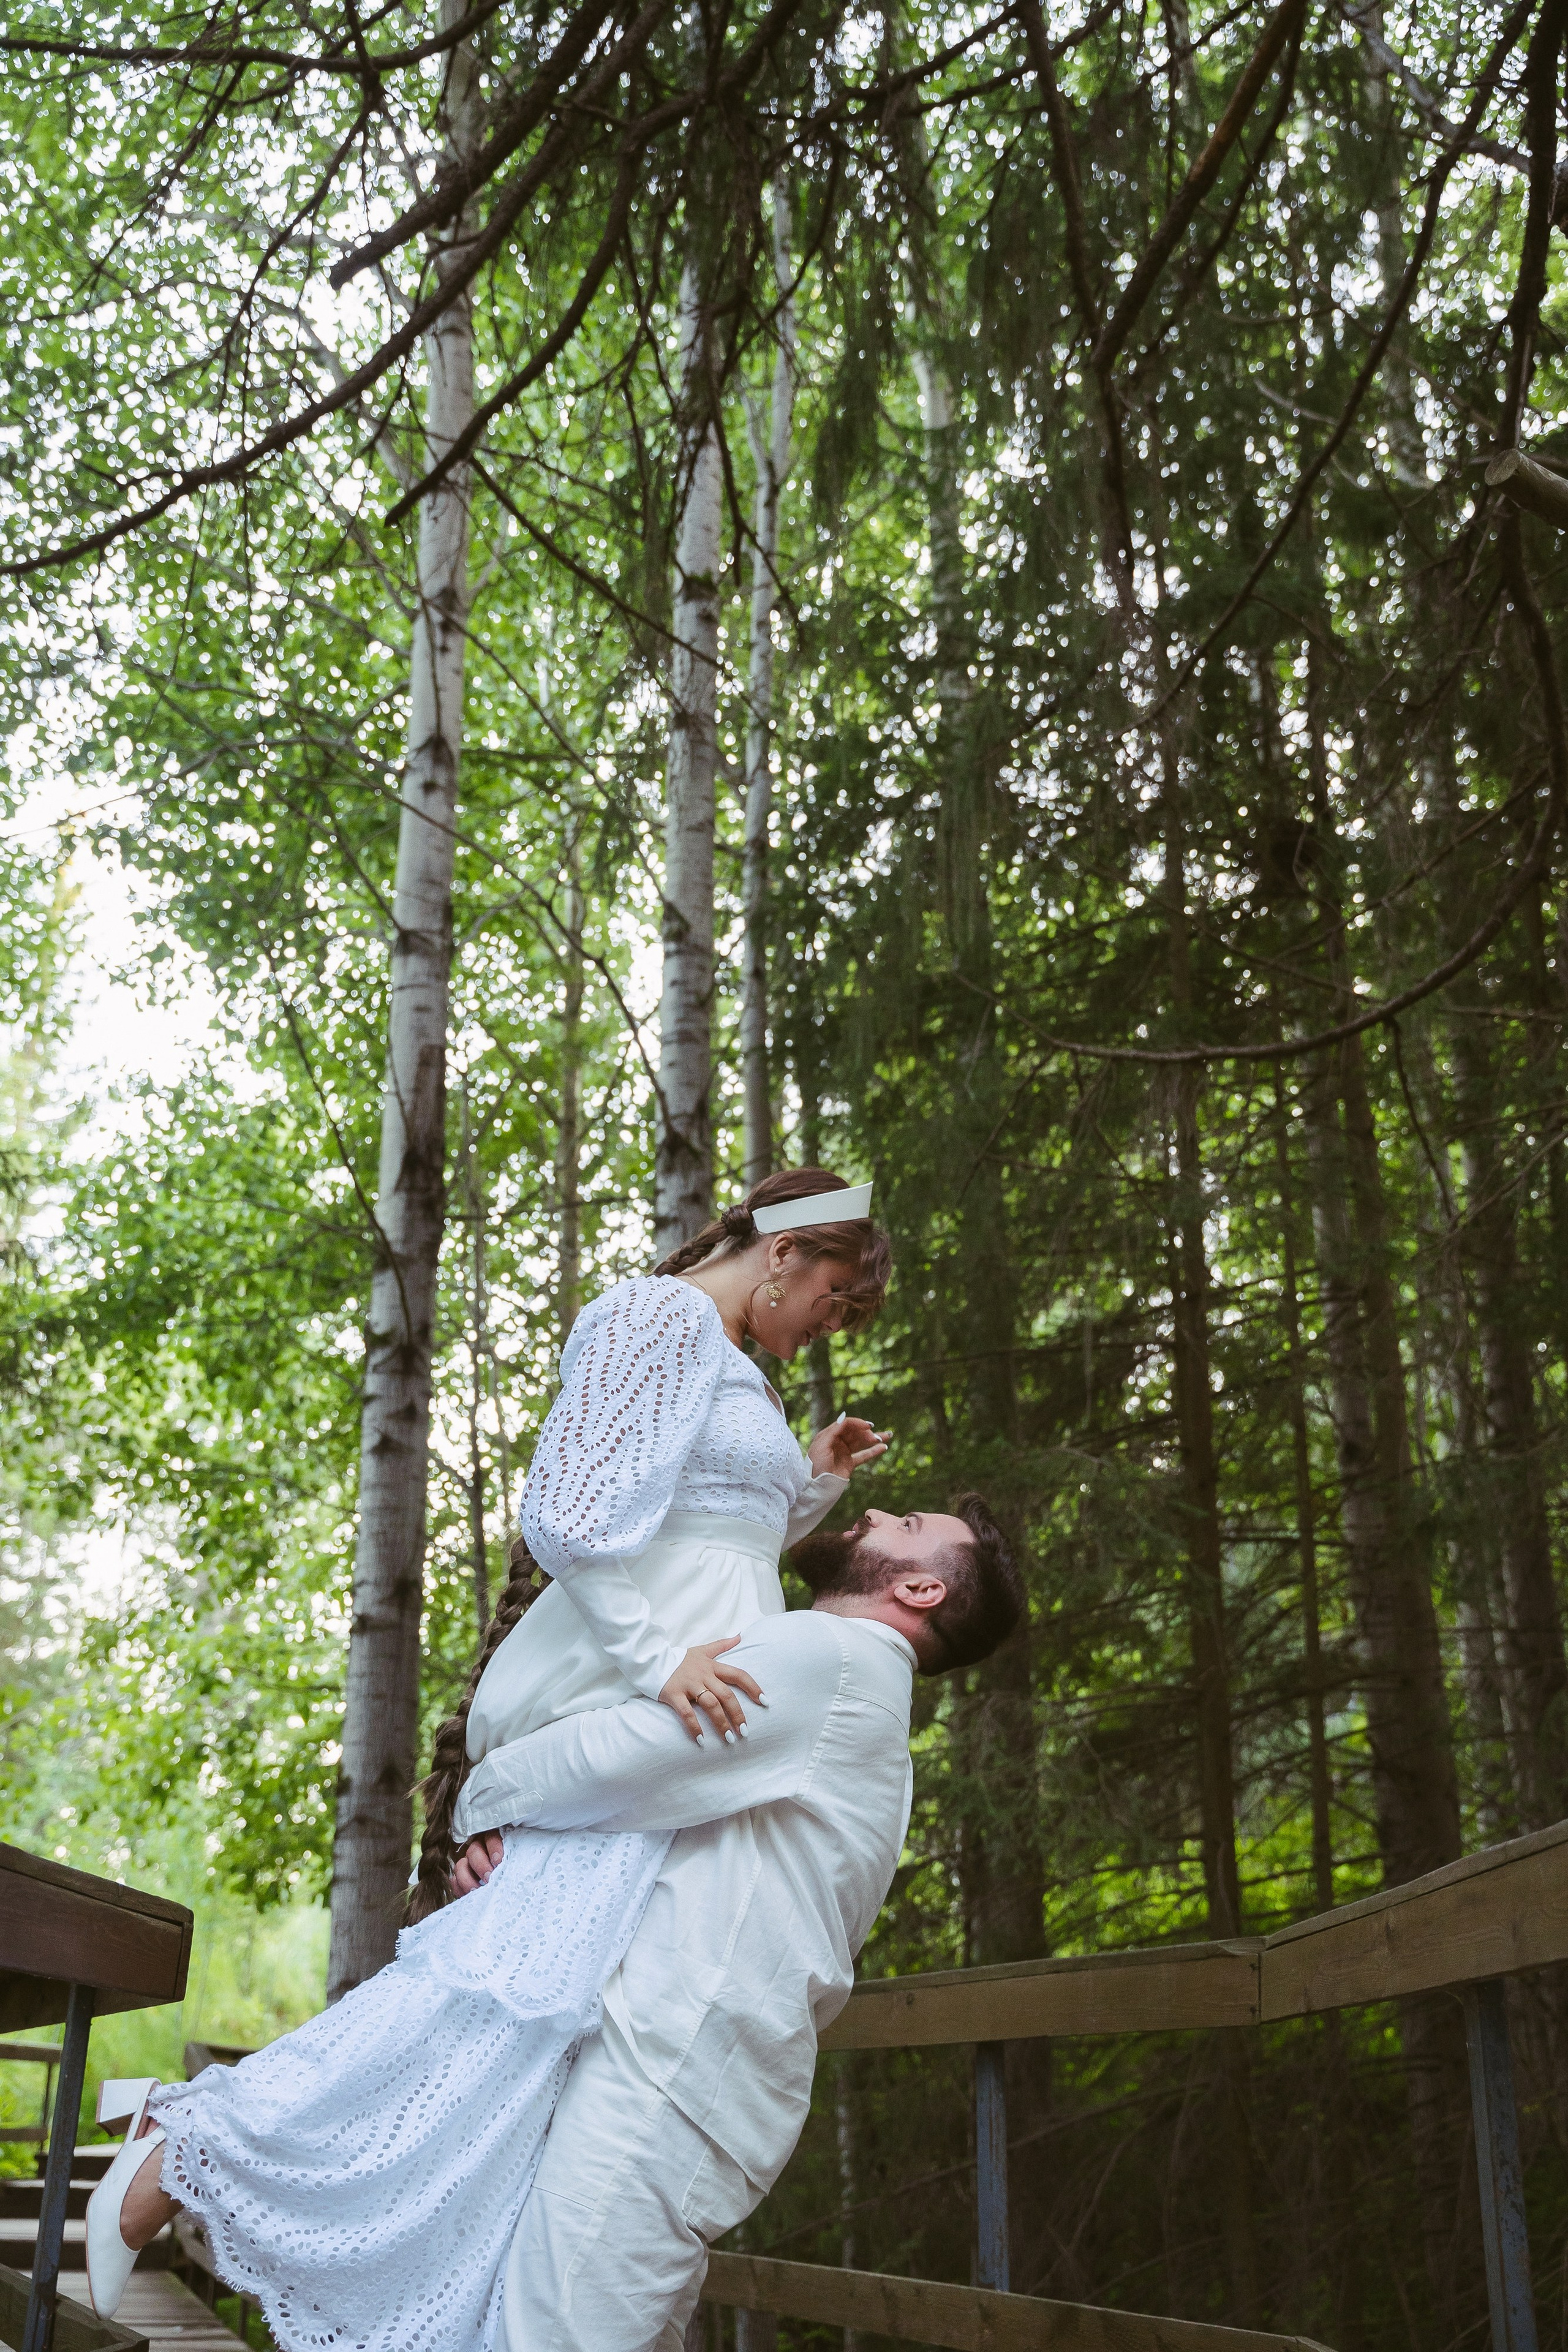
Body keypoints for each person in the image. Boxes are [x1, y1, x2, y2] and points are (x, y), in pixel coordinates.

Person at [83, 1169, 893, 2347]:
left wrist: (809, 1476)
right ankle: (192, 2145)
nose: (834, 1323)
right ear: (783, 1253)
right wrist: (660, 1661)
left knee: (535, 2005)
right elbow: (571, 1515)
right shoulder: (658, 1316)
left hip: (678, 1726)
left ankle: (393, 2266)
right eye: (836, 1294)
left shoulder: (732, 1362)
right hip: (632, 1692)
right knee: (497, 1987)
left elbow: (709, 1537)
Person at [448, 1496, 1024, 2351]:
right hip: (688, 2071)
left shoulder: (834, 1660)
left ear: (920, 1589)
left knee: (552, 2333)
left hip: (674, 2072)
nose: (874, 1512)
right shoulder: (854, 1685)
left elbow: (622, 1758)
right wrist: (516, 1853)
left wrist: (476, 1802)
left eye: (906, 1525)